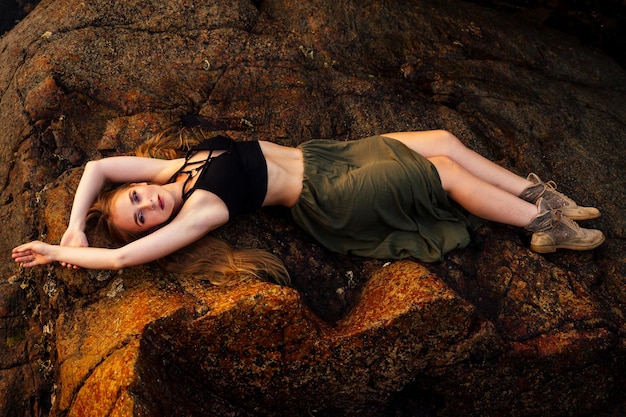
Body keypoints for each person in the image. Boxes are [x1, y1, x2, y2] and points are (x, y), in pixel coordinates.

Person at [12, 127, 605, 285]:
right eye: (142, 217)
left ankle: (537, 195)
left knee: (444, 142)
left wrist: (73, 228)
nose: (147, 202)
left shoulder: (173, 170)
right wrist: (55, 252)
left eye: (135, 198)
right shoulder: (202, 212)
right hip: (331, 196)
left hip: (327, 156)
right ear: (156, 227)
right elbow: (122, 262)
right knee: (443, 172)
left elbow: (98, 168)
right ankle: (542, 226)